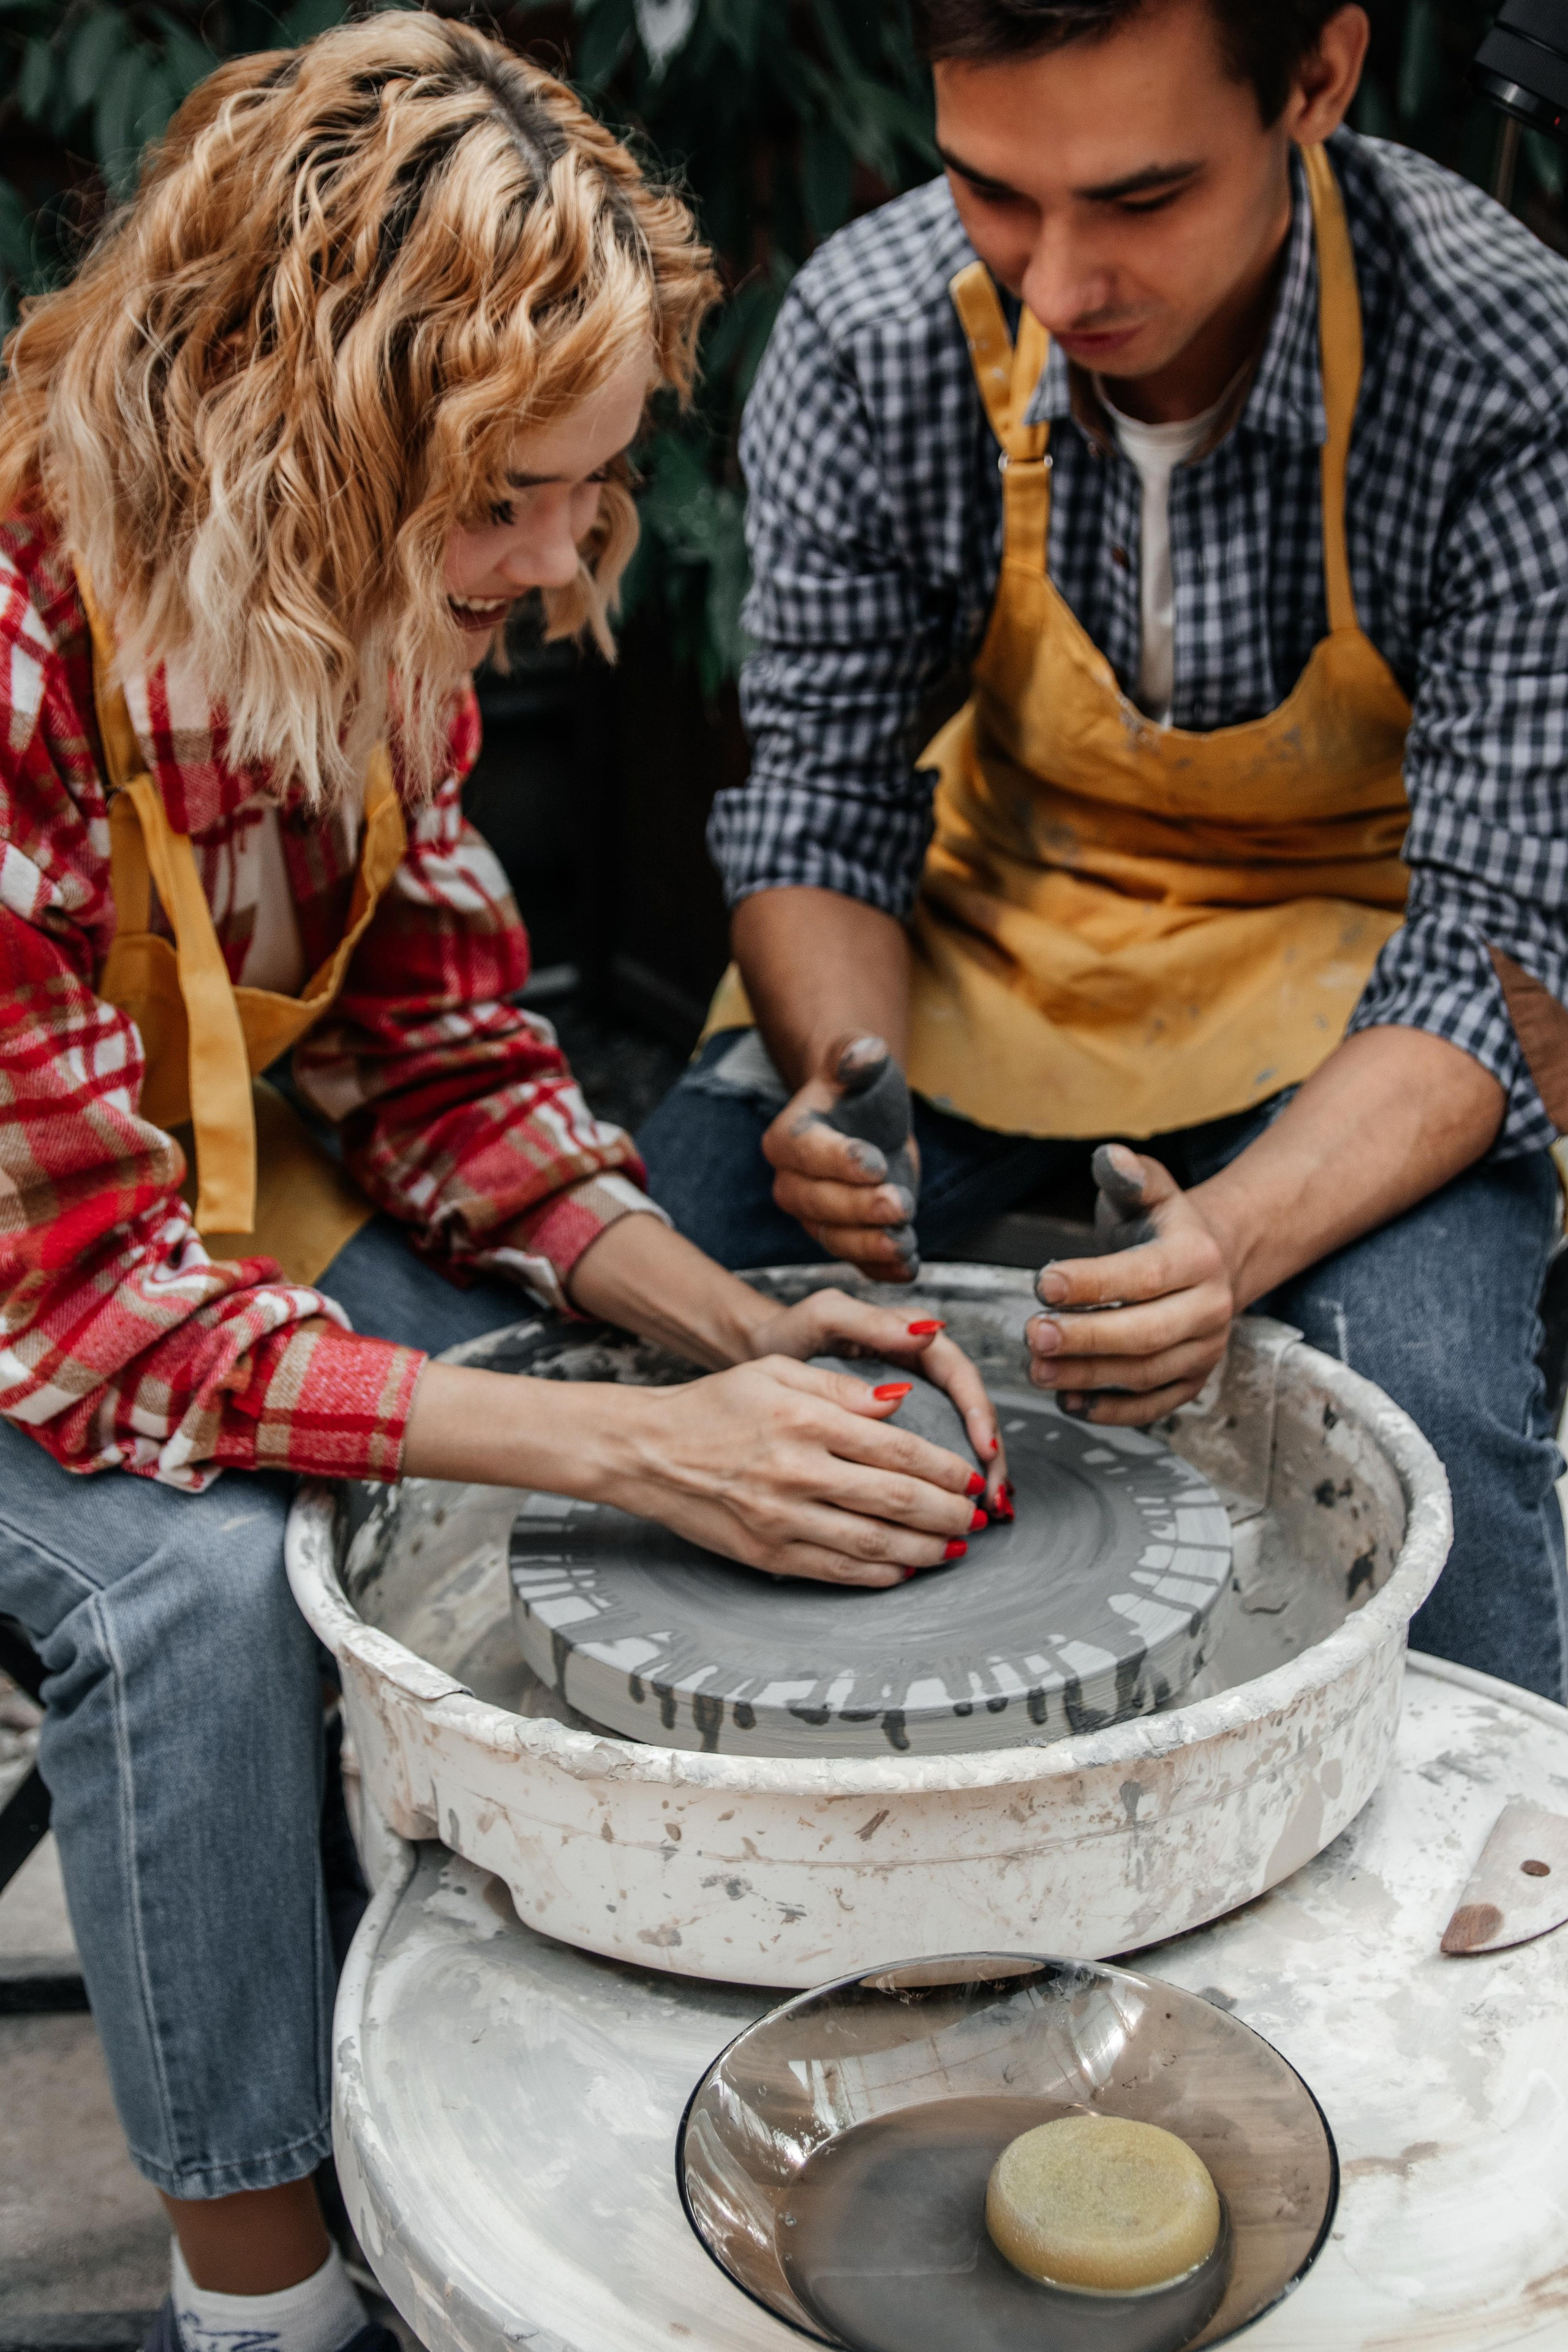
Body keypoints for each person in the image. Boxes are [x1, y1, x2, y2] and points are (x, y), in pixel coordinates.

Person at [0, 19, 1008, 2349]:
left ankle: (519, 2085)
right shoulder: (29, 639)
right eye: (501, 505)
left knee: (533, 1459)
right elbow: (89, 1305)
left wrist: (715, 1331)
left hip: (192, 1208)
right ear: (282, 443)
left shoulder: (372, 608)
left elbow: (441, 1056)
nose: (562, 565)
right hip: (41, 1281)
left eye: (586, 487)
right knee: (206, 1597)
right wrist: (638, 1435)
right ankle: (261, 2284)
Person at [639, 0, 1568, 1702]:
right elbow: (821, 804)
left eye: (1140, 200)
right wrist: (846, 1088)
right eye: (996, 190)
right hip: (988, 941)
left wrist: (1231, 1244)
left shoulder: (1504, 357)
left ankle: (1502, 1922)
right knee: (658, 1306)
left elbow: (1509, 945)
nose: (1059, 286)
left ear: (1318, 80)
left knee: (1413, 1415)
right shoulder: (875, 326)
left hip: (1355, 986)